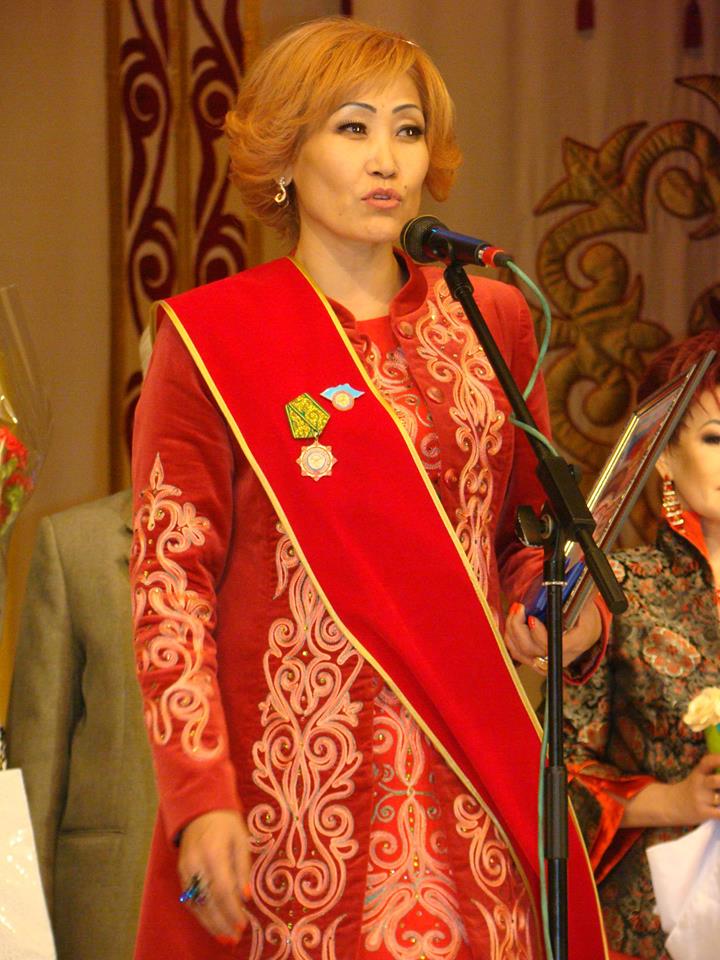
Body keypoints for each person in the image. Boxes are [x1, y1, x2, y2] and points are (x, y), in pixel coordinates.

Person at [130, 17, 605, 959]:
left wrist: (557, 606)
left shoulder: (491, 318)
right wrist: (198, 794)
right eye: (352, 127)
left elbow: (524, 534)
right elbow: (168, 584)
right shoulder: (214, 339)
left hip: (475, 776)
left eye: (408, 129)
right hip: (297, 792)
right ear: (286, 153)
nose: (387, 158)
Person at [563, 330, 720, 960]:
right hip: (657, 919)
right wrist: (677, 799)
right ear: (663, 456)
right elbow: (555, 775)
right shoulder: (616, 590)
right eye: (715, 438)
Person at [6, 488, 157, 960]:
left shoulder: (297, 549)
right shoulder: (76, 543)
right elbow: (38, 769)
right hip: (115, 905)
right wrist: (23, 940)